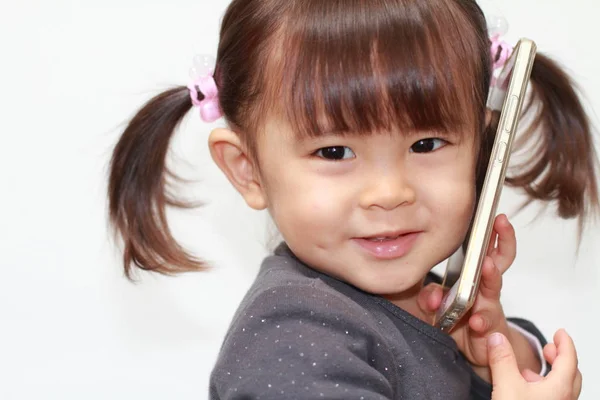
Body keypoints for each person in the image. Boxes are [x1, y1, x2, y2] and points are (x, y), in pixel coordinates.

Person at [107, 1, 598, 398]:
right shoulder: (294, 339)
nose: (389, 194)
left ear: (483, 151)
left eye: (426, 144)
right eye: (334, 151)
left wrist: (493, 348)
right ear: (247, 169)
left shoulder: (417, 296)